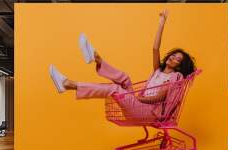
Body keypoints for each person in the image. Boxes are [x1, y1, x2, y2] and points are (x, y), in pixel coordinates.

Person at [49, 10, 196, 121]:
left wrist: (136, 98)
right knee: (125, 78)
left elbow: (157, 98)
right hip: (139, 105)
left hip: (147, 111)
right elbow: (155, 49)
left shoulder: (175, 77)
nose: (172, 58)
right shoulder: (158, 70)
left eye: (177, 59)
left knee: (115, 89)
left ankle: (68, 84)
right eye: (173, 55)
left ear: (179, 66)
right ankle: (97, 59)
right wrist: (162, 22)